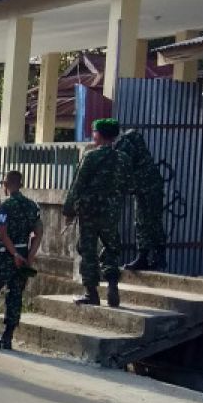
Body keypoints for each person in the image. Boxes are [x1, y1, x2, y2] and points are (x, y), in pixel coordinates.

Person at [0, 171, 42, 350]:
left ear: (5, 184)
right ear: (21, 183)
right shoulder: (32, 206)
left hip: (3, 256)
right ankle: (8, 336)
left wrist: (14, 254)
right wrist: (28, 257)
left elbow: (2, 232)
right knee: (15, 295)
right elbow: (38, 233)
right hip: (22, 256)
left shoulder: (4, 206)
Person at [64, 117, 130, 307]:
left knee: (88, 250)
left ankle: (91, 293)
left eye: (94, 132)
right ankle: (112, 287)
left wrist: (69, 210)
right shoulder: (124, 159)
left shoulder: (91, 156)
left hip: (89, 212)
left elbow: (77, 185)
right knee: (111, 249)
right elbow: (128, 185)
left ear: (99, 135)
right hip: (112, 212)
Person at [115, 127, 167, 271]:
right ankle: (143, 257)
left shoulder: (127, 141)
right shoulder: (125, 141)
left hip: (149, 186)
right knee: (141, 221)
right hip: (141, 187)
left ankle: (158, 257)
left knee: (152, 220)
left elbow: (125, 161)